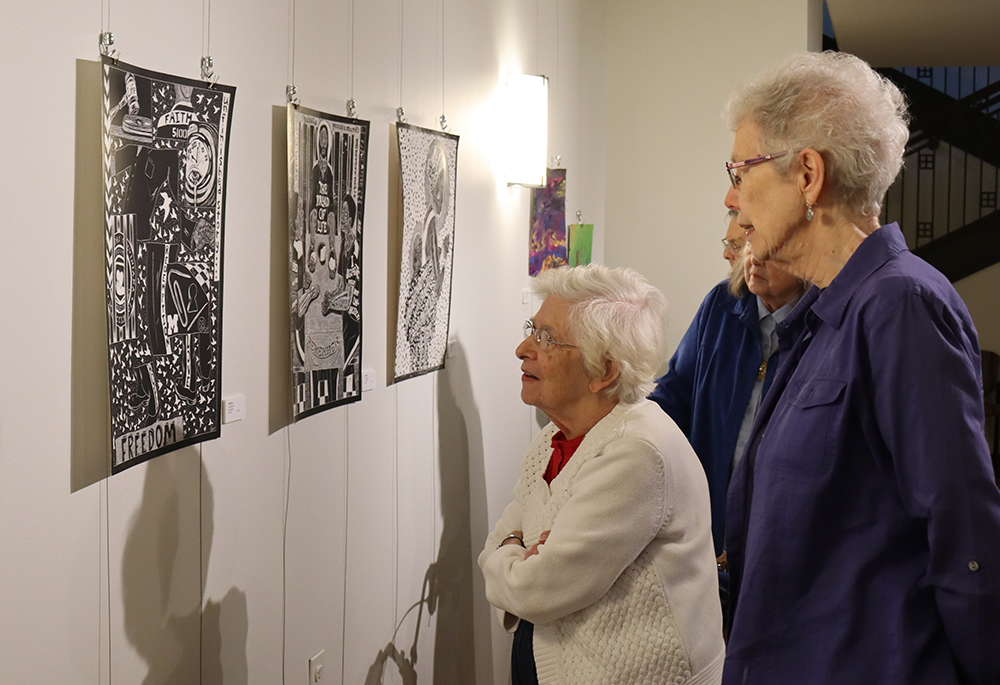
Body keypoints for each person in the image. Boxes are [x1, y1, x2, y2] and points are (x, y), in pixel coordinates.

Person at [721, 51, 1000, 684]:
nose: (731, 196)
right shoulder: (821, 314)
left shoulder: (901, 304)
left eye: (740, 169)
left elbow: (963, 534)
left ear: (808, 175)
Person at [479, 264, 725, 685]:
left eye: (546, 338)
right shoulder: (553, 438)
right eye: (531, 330)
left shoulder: (637, 451)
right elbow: (503, 546)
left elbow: (532, 590)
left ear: (605, 371)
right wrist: (518, 549)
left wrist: (513, 550)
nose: (522, 349)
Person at [649, 243, 806, 559]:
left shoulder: (825, 323)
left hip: (782, 526)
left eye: (771, 247)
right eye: (750, 242)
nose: (755, 258)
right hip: (706, 517)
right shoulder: (721, 304)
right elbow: (674, 395)